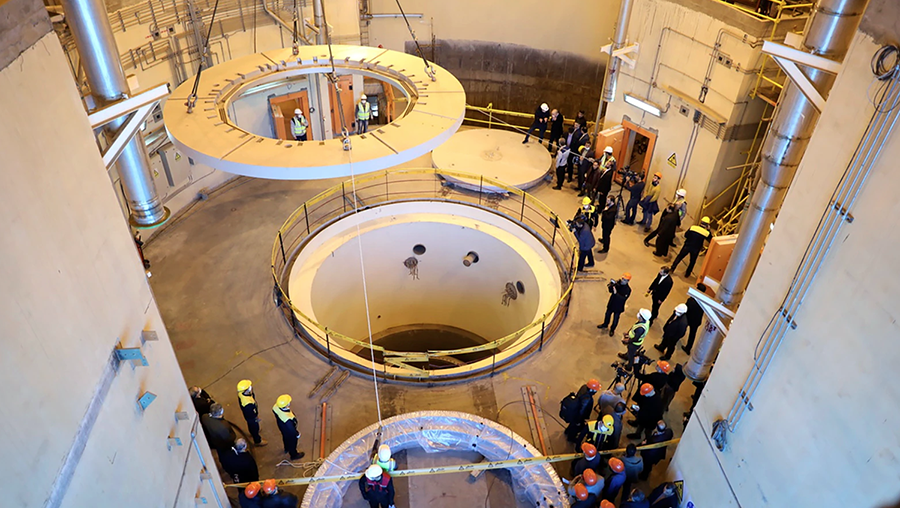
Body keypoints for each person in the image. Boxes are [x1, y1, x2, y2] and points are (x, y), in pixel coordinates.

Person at [563, 379, 600, 443]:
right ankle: (571, 438)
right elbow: (582, 410)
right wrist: (579, 420)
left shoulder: (584, 387)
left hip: (575, 410)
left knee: (572, 424)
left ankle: (567, 431)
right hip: (578, 415)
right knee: (576, 427)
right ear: (592, 390)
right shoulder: (587, 398)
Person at [272, 394, 305, 460]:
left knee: (285, 438)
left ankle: (286, 448)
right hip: (289, 431)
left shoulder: (275, 407)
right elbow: (291, 430)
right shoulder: (287, 419)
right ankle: (294, 455)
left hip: (282, 427)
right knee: (292, 442)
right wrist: (297, 434)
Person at [237, 380, 267, 447]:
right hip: (251, 417)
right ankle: (257, 440)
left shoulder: (241, 394)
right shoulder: (247, 403)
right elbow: (251, 413)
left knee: (251, 425)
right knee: (254, 427)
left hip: (249, 416)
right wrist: (256, 417)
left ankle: (253, 432)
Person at [682, 283, 707, 354]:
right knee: (692, 335)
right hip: (696, 321)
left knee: (683, 328)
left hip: (688, 318)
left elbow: (686, 309)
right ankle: (688, 348)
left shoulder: (691, 300)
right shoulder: (703, 301)